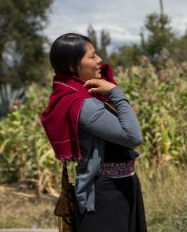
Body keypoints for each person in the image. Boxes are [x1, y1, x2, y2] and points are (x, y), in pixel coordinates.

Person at [41, 33, 147, 232]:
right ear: (73, 67)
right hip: (105, 197)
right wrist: (116, 92)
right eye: (92, 56)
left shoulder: (88, 96)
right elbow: (134, 137)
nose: (99, 60)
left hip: (118, 188)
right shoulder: (85, 105)